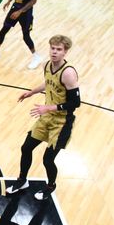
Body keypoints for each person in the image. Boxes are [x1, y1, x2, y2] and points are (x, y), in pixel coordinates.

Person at [5, 35, 80, 200]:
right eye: (52, 48)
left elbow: (75, 103)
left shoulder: (68, 73)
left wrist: (49, 107)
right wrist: (31, 92)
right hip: (47, 117)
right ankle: (22, 180)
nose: (54, 52)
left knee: (48, 159)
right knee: (26, 148)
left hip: (62, 122)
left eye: (59, 49)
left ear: (65, 52)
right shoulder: (47, 65)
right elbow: (48, 83)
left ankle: (50, 186)